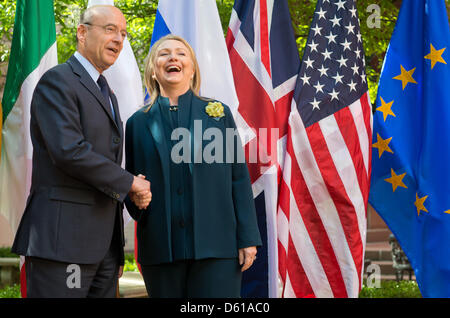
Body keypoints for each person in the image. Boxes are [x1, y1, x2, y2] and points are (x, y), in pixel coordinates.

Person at [11, 5, 151, 298]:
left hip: (104, 249)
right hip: (63, 244)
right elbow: (69, 151)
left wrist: (131, 192)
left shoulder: (107, 92)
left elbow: (105, 158)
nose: (119, 39)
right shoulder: (58, 81)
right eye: (110, 29)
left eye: (123, 33)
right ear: (82, 32)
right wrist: (129, 183)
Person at [125, 34, 262, 298]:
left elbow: (238, 178)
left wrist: (247, 237)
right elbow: (132, 186)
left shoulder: (219, 114)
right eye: (164, 54)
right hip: (160, 252)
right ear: (153, 69)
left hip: (218, 248)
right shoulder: (136, 124)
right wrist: (136, 200)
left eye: (181, 53)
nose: (173, 57)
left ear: (192, 69)